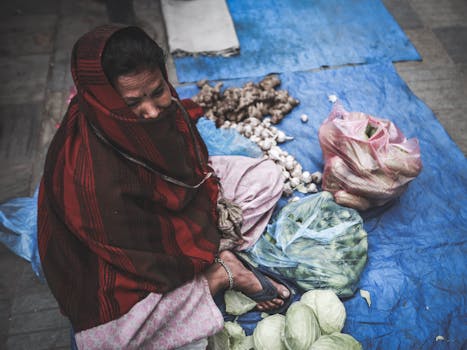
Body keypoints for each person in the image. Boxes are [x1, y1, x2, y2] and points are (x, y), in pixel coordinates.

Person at [38, 25, 292, 349]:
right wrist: (202, 251)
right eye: (133, 103)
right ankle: (217, 275)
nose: (152, 110)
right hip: (134, 257)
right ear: (105, 101)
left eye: (157, 91)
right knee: (107, 342)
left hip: (176, 216)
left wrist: (203, 220)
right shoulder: (87, 176)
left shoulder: (163, 111)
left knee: (265, 178)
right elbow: (140, 257)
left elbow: (193, 170)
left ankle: (212, 264)